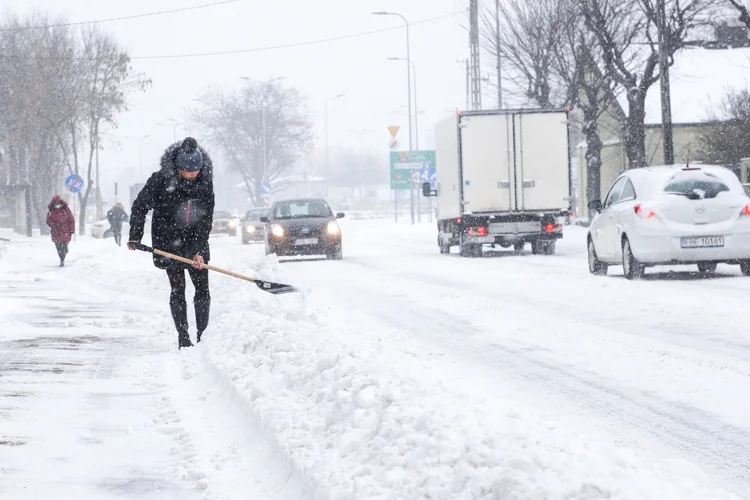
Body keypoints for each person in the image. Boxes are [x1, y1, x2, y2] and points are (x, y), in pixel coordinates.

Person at [127, 137, 215, 349]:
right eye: (187, 171)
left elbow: (205, 220)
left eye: (196, 171)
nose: (192, 175)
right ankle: (183, 336)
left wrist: (197, 250)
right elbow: (140, 206)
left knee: (202, 288)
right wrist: (135, 236)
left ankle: (203, 335)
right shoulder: (160, 181)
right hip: (169, 242)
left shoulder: (204, 183)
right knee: (178, 289)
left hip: (196, 240)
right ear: (177, 168)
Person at [46, 195, 75, 267]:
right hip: (56, 232)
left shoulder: (66, 210)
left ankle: (63, 258)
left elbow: (71, 220)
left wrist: (72, 230)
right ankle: (61, 258)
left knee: (64, 246)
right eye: (56, 204)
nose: (57, 206)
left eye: (58, 204)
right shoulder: (51, 211)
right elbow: (48, 220)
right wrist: (53, 225)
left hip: (66, 231)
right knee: (58, 247)